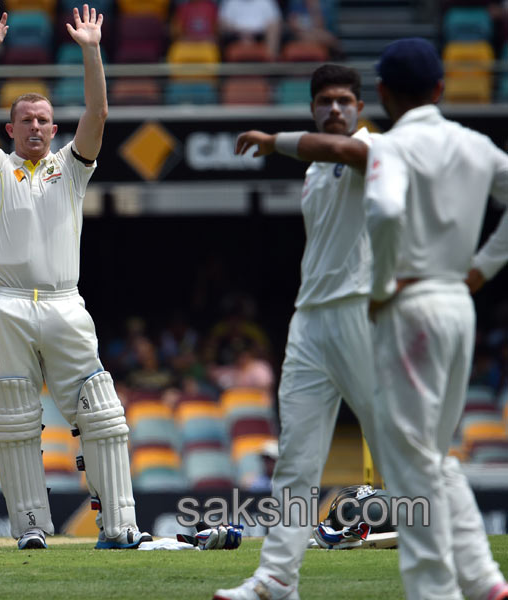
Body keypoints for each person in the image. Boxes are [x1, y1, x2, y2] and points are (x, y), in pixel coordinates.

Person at [0, 5, 152, 550]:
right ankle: (30, 530)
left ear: (54, 127)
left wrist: (91, 48)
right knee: (15, 419)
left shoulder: (71, 167)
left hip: (66, 303)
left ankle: (119, 526)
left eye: (45, 119)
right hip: (8, 303)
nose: (38, 126)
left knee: (104, 412)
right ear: (12, 128)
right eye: (28, 120)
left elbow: (100, 109)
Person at [214, 64, 383, 599]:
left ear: (359, 107)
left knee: (400, 446)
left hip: (360, 313)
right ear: (313, 107)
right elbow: (321, 157)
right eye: (325, 101)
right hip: (309, 320)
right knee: (295, 456)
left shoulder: (372, 149)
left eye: (344, 101)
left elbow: (340, 152)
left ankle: (466, 572)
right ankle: (277, 578)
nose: (336, 109)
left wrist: (274, 140)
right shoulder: (313, 168)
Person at [361, 38, 508, 600]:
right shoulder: (477, 144)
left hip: (412, 306)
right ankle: (484, 580)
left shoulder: (390, 147)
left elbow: (387, 209)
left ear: (382, 93)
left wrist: (380, 285)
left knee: (410, 463)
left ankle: (435, 590)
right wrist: (483, 268)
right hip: (458, 303)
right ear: (441, 89)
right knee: (431, 454)